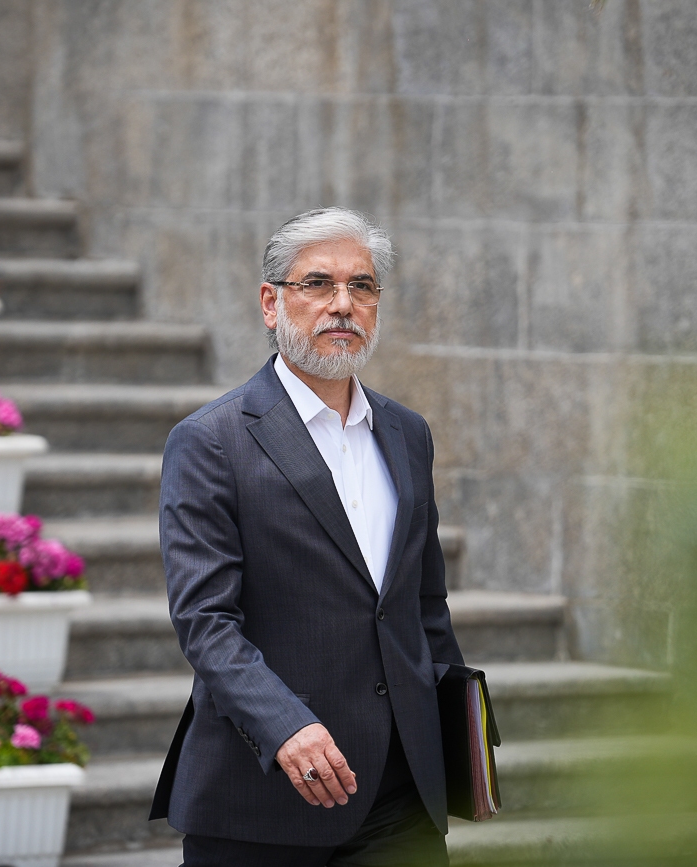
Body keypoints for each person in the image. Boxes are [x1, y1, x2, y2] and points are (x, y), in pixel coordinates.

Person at [150, 207, 465, 866]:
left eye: (362, 286)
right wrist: (285, 724)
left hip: (401, 796)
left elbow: (423, 604)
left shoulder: (408, 433)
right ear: (272, 304)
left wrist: (458, 737)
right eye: (318, 283)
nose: (343, 304)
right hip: (264, 797)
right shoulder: (211, 440)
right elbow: (206, 620)